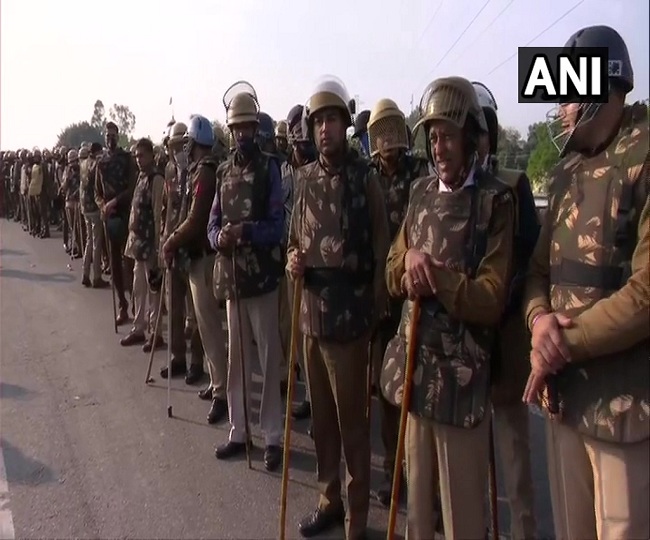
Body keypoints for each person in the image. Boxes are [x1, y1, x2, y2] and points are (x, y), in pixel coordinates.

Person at [523, 25, 649, 539]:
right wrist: (536, 324)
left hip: (626, 409)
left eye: (568, 95)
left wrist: (559, 344)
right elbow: (535, 273)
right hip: (566, 401)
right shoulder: (566, 172)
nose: (560, 110)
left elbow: (645, 294)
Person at [382, 76, 515, 539]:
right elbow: (392, 270)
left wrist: (434, 277)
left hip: (463, 382)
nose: (440, 147)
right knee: (417, 512)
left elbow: (492, 296)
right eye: (433, 136)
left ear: (472, 139)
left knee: (463, 520)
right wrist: (410, 264)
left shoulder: (495, 202)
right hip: (415, 375)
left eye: (449, 136)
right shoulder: (419, 194)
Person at [287, 75, 389, 540]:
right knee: (322, 422)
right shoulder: (304, 178)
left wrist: (378, 310)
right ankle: (328, 500)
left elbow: (383, 246)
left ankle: (358, 518)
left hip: (350, 320)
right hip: (311, 314)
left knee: (353, 427)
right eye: (318, 121)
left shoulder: (365, 177)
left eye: (332, 120)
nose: (325, 129)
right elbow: (295, 239)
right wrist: (293, 260)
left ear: (346, 125)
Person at [473, 80, 539, 540]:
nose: (472, 138)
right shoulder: (446, 192)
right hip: (466, 343)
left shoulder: (515, 185)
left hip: (510, 336)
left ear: (491, 134)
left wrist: (502, 296)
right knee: (472, 461)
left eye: (479, 129)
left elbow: (533, 259)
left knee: (515, 458)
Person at [208, 88, 285, 472]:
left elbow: (277, 226)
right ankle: (239, 431)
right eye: (236, 128)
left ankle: (272, 436)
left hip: (264, 279)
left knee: (270, 360)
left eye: (247, 128)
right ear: (230, 129)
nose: (242, 135)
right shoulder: (222, 170)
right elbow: (212, 222)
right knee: (237, 359)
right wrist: (219, 236)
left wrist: (246, 232)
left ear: (257, 128)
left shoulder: (270, 168)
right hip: (232, 280)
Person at [162, 115, 230, 425]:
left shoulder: (205, 173)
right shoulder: (200, 171)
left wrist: (172, 240)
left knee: (211, 330)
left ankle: (222, 393)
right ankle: (218, 383)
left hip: (203, 258)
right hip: (199, 256)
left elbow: (196, 218)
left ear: (192, 144)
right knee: (206, 327)